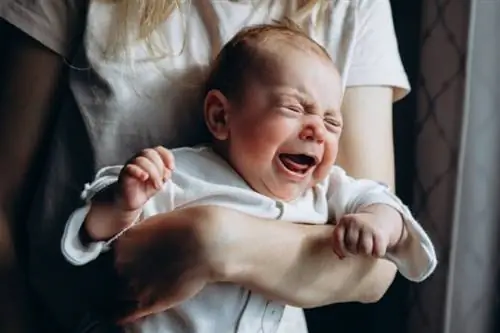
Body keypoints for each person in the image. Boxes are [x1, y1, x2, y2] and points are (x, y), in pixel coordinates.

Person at [0, 1, 413, 332]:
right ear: (218, 117)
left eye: (332, 121)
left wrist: (211, 242)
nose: (317, 132)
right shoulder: (180, 173)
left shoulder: (325, 187)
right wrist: (121, 206)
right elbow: (86, 223)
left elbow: (377, 257)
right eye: (293, 108)